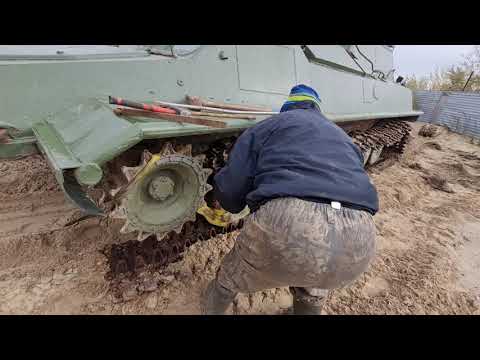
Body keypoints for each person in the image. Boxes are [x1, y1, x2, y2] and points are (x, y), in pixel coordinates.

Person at [202, 84, 378, 315]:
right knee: (316, 281)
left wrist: (219, 196)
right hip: (360, 237)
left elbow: (233, 195)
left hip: (290, 220)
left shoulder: (268, 126)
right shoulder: (343, 137)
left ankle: (211, 307)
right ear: (317, 108)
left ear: (287, 106)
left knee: (230, 277)